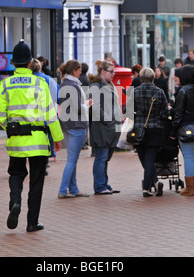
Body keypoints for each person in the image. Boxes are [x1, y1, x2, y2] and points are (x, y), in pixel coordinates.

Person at [0, 40, 64, 232]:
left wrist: (9, 127)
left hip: (16, 139)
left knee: (16, 174)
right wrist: (57, 138)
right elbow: (51, 114)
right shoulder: (40, 83)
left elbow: (0, 113)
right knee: (36, 180)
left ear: (13, 63)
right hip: (39, 141)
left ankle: (15, 201)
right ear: (29, 63)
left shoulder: (5, 84)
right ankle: (32, 222)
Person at [126, 68, 169, 197]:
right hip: (155, 129)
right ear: (153, 78)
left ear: (141, 78)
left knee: (144, 159)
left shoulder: (135, 92)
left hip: (139, 130)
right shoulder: (159, 92)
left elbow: (128, 110)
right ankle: (155, 183)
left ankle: (146, 188)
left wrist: (138, 116)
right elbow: (165, 113)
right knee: (149, 159)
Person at [57, 60, 93, 198]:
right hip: (77, 125)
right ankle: (63, 189)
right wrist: (87, 105)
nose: (80, 72)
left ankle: (73, 188)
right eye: (79, 70)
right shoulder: (73, 85)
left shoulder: (64, 83)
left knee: (72, 159)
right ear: (74, 71)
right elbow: (77, 108)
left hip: (67, 124)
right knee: (72, 160)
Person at [170, 65, 194, 196]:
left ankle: (190, 188)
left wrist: (173, 131)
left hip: (187, 127)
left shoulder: (183, 91)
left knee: (189, 157)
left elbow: (179, 113)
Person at [88, 60, 123, 195]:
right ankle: (99, 186)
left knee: (105, 158)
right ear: (103, 72)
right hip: (102, 127)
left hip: (110, 127)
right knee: (101, 157)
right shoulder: (96, 86)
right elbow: (96, 108)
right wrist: (108, 121)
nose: (114, 74)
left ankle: (104, 184)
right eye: (111, 71)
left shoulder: (108, 84)